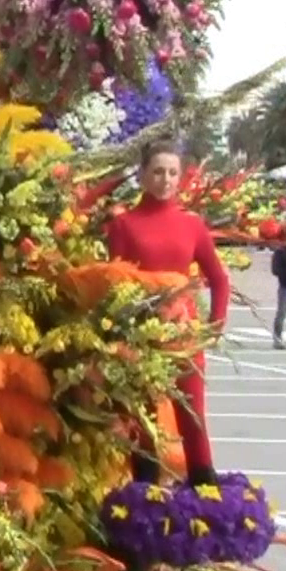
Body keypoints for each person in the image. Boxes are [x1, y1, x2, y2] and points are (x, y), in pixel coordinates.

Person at [104, 139, 231, 487]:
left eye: (173, 173)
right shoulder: (124, 225)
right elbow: (115, 281)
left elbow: (219, 278)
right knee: (142, 420)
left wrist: (214, 325)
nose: (166, 180)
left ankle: (206, 494)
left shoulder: (192, 224)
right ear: (143, 175)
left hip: (184, 338)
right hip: (141, 337)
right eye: (158, 172)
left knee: (193, 417)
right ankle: (144, 498)